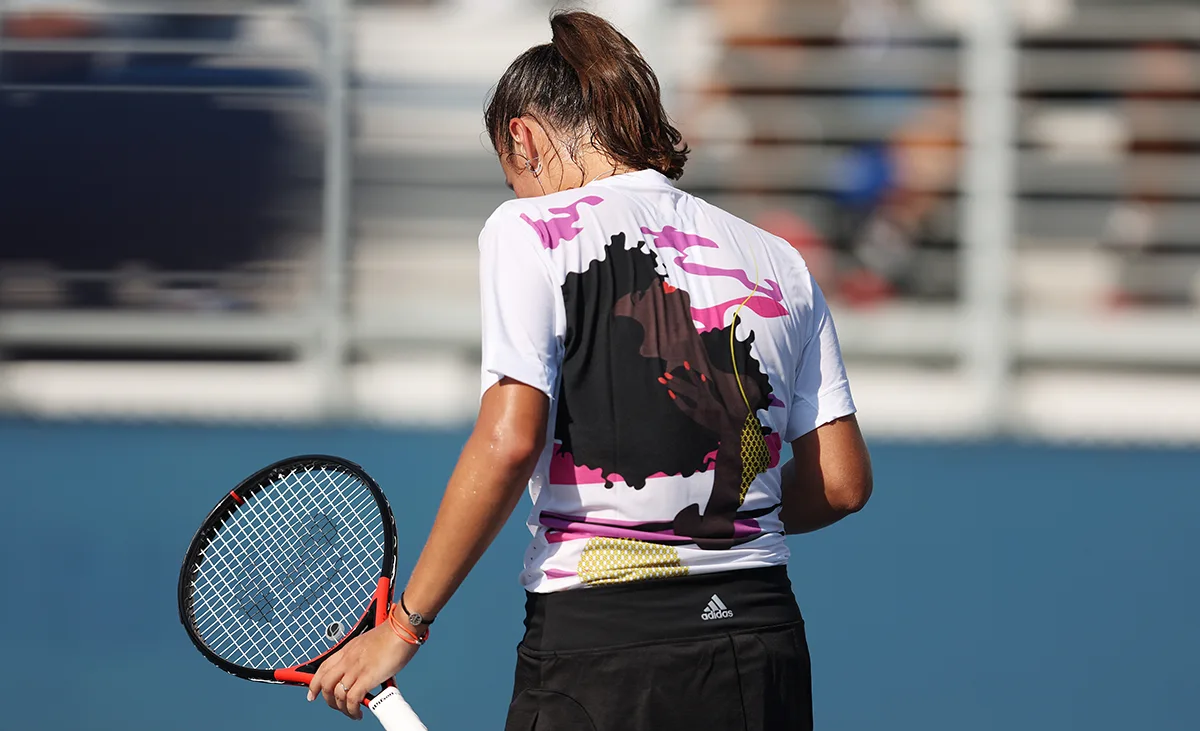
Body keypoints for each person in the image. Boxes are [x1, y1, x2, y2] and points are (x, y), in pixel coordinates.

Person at [306, 11, 873, 731]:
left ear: (525, 138)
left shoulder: (525, 230)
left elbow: (510, 439)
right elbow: (843, 481)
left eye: (514, 176)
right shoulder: (778, 257)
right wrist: (699, 517)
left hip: (604, 652)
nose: (518, 195)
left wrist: (405, 624)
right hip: (764, 646)